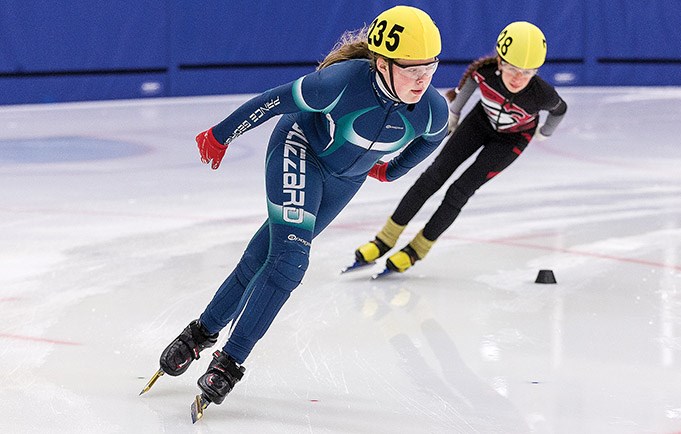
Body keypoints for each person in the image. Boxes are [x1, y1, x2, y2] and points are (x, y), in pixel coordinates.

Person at [151, 6, 448, 407]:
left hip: (344, 181)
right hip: (299, 150)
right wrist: (221, 135)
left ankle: (199, 334)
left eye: (429, 68)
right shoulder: (341, 82)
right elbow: (275, 101)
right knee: (290, 261)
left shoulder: (432, 110)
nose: (423, 79)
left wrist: (391, 171)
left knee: (263, 258)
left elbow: (433, 138)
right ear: (381, 63)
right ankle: (229, 362)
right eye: (412, 69)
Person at [352, 21, 567, 274]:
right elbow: (469, 85)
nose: (518, 78)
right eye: (511, 68)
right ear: (499, 62)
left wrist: (545, 132)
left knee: (459, 191)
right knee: (432, 176)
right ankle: (384, 239)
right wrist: (454, 115)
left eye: (528, 72)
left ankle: (417, 249)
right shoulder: (484, 72)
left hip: (512, 140)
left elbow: (560, 109)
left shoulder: (542, 94)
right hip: (479, 122)